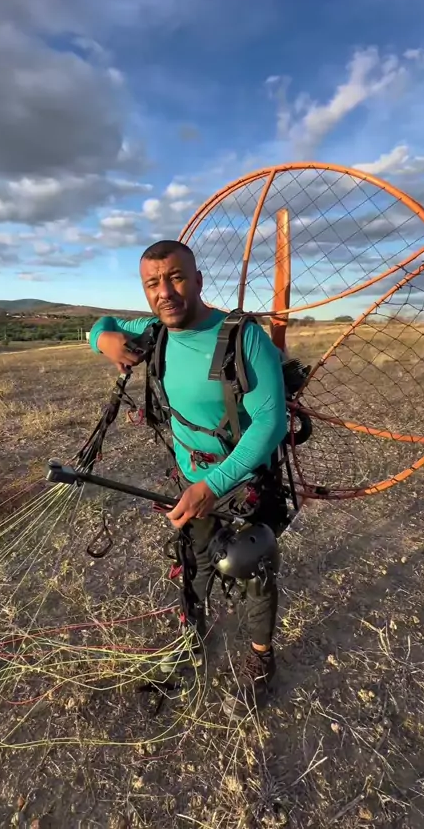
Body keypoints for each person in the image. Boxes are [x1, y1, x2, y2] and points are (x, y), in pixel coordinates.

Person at [88, 239, 289, 719]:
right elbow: (104, 324)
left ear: (198, 280)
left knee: (249, 566)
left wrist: (214, 485)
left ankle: (261, 658)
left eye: (176, 278)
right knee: (195, 563)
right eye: (152, 283)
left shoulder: (243, 338)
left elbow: (270, 422)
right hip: (191, 480)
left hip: (241, 482)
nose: (165, 292)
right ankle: (191, 639)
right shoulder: (155, 331)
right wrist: (102, 339)